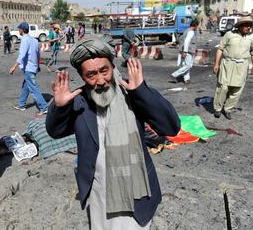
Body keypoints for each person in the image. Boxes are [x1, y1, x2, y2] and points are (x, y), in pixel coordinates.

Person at [46, 38, 180, 229]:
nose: (100, 81)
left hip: (136, 192)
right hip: (100, 194)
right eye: (91, 74)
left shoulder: (132, 92)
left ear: (112, 65)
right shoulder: (79, 101)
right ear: (82, 76)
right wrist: (59, 107)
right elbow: (55, 132)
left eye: (104, 70)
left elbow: (171, 127)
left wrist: (141, 91)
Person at [213, 16, 253, 119]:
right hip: (227, 64)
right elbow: (220, 49)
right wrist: (216, 64)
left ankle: (228, 108)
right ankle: (217, 108)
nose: (249, 28)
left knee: (237, 89)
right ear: (240, 26)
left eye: (250, 25)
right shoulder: (229, 34)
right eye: (246, 25)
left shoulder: (252, 37)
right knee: (223, 87)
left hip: (242, 66)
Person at [9, 22, 48, 116]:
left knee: (33, 88)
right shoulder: (34, 40)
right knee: (26, 86)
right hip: (33, 66)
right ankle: (22, 105)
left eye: (19, 29)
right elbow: (38, 54)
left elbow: (22, 55)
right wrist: (37, 65)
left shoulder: (25, 40)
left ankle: (44, 107)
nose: (18, 31)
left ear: (22, 30)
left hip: (28, 67)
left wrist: (13, 67)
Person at [170, 20, 199, 84]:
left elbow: (181, 40)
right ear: (195, 26)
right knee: (188, 66)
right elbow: (186, 41)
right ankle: (174, 74)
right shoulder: (191, 32)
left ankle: (187, 79)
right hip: (188, 51)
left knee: (185, 65)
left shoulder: (186, 31)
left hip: (183, 50)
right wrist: (185, 52)